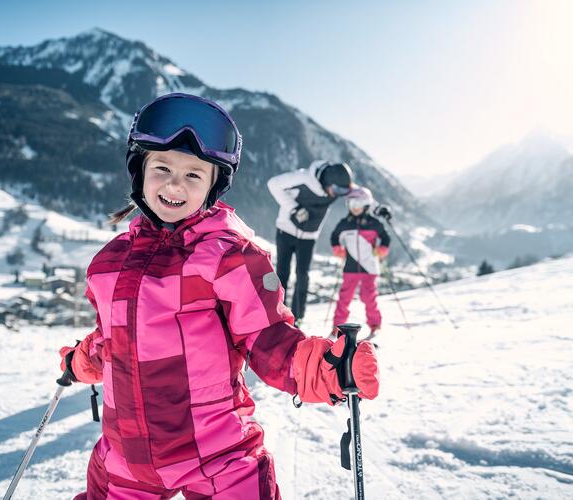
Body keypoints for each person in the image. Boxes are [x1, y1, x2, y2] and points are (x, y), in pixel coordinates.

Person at [58, 93, 379, 499]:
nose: (175, 183)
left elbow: (268, 341)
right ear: (139, 171)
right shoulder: (108, 265)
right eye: (162, 167)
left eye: (194, 175)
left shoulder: (229, 259)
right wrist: (79, 360)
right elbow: (111, 342)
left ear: (213, 186)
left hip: (218, 456)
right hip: (127, 458)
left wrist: (328, 367)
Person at [267, 161, 353, 325]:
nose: (337, 195)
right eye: (336, 190)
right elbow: (273, 184)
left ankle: (297, 318)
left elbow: (356, 192)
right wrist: (295, 208)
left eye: (343, 191)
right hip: (286, 230)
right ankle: (277, 316)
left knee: (303, 276)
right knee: (282, 273)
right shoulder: (304, 178)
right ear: (327, 181)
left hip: (309, 237)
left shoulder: (334, 190)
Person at [330, 186, 390, 340]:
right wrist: (337, 248)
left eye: (358, 203)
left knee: (368, 297)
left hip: (369, 267)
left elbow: (386, 237)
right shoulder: (345, 223)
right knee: (345, 297)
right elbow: (334, 236)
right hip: (350, 267)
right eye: (351, 204)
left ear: (366, 205)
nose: (355, 207)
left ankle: (375, 325)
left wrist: (382, 248)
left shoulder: (374, 223)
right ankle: (337, 327)